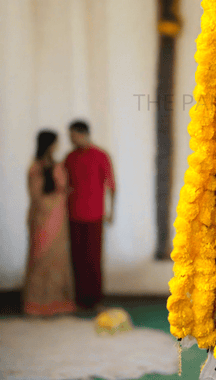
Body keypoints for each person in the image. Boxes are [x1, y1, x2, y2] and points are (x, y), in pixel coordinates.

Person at [23, 130, 76, 316]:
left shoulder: (35, 167)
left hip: (44, 218)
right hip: (53, 218)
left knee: (43, 257)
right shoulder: (48, 167)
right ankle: (49, 304)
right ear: (51, 145)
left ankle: (39, 304)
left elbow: (36, 196)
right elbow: (54, 192)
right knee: (50, 257)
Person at [65, 120, 116, 311]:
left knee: (93, 259)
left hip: (95, 215)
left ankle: (95, 300)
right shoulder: (69, 158)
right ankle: (78, 300)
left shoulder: (100, 156)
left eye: (73, 136)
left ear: (83, 134)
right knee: (76, 258)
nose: (71, 140)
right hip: (73, 215)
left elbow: (111, 185)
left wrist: (111, 212)